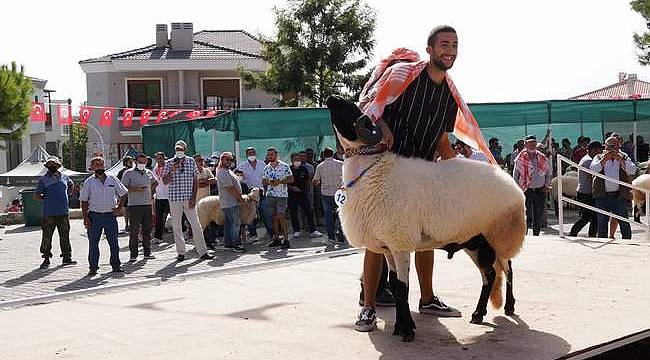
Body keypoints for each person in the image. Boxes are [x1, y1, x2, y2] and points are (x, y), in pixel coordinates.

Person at [355, 26, 464, 332]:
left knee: (425, 236)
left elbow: (443, 141)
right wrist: (385, 129)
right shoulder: (404, 77)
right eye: (444, 44)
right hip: (387, 173)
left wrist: (464, 175)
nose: (450, 50)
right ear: (429, 49)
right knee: (377, 242)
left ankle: (427, 299)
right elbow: (371, 113)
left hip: (423, 173)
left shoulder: (450, 93)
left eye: (455, 45)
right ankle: (368, 307)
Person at [162, 140, 214, 262]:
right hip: (175, 199)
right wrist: (172, 170)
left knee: (196, 224)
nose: (178, 151)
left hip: (188, 198)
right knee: (177, 226)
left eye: (181, 149)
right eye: (177, 149)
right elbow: (164, 181)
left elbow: (195, 181)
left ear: (185, 150)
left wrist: (193, 198)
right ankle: (181, 252)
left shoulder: (191, 161)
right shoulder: (169, 163)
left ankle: (202, 251)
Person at [80, 157, 128, 277]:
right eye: (97, 164)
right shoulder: (89, 182)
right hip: (94, 216)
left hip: (110, 216)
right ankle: (93, 267)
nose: (100, 166)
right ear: (92, 167)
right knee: (93, 243)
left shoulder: (112, 179)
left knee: (113, 242)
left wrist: (119, 207)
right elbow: (84, 201)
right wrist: (85, 218)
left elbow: (123, 193)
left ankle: (116, 265)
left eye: (101, 164)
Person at [33, 156, 76, 268]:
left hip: (63, 212)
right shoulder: (43, 180)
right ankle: (46, 258)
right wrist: (47, 198)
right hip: (49, 213)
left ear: (58, 166)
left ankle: (67, 257)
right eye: (50, 165)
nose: (52, 166)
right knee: (47, 236)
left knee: (65, 235)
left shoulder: (65, 177)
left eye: (54, 165)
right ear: (47, 167)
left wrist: (68, 194)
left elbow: (71, 185)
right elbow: (37, 195)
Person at [590, 136, 636, 240]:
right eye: (609, 147)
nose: (611, 149)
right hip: (602, 195)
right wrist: (604, 160)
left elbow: (632, 170)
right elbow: (593, 170)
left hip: (619, 195)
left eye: (614, 147)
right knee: (602, 221)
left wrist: (621, 160)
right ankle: (603, 239)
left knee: (623, 219)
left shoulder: (624, 156)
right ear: (605, 147)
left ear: (618, 146)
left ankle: (627, 240)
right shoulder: (598, 157)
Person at [513, 135, 552, 236]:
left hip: (540, 190)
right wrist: (517, 189)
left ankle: (536, 235)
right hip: (526, 190)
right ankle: (524, 236)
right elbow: (516, 175)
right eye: (529, 142)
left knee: (538, 214)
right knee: (526, 214)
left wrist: (546, 185)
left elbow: (548, 172)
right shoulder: (520, 158)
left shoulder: (542, 157)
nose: (532, 144)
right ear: (525, 144)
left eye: (534, 142)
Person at [121, 153, 157, 262]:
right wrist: (136, 189)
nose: (142, 164)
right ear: (135, 162)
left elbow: (155, 182)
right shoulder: (128, 173)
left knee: (147, 230)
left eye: (144, 162)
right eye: (140, 162)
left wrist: (152, 192)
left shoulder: (149, 172)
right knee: (134, 231)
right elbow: (122, 188)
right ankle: (133, 255)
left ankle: (147, 253)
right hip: (134, 206)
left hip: (147, 205)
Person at [569, 141, 602, 237]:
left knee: (594, 217)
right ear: (592, 150)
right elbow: (591, 177)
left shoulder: (589, 159)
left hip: (587, 192)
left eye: (600, 150)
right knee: (586, 217)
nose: (598, 152)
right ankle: (573, 233)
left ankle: (591, 235)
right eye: (597, 150)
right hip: (586, 193)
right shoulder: (588, 161)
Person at [262, 147, 294, 249]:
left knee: (281, 216)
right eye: (269, 154)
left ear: (276, 155)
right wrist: (268, 182)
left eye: (272, 154)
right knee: (273, 217)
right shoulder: (267, 168)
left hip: (281, 195)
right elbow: (263, 181)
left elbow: (291, 179)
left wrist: (279, 181)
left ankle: (286, 239)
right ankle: (276, 239)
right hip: (270, 194)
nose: (270, 156)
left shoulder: (284, 166)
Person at [236, 147, 270, 241]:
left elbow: (267, 178)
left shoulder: (262, 164)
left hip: (262, 193)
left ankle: (270, 233)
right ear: (246, 155)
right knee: (250, 215)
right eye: (249, 153)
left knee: (265, 213)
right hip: (250, 194)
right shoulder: (241, 166)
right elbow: (237, 177)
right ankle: (253, 234)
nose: (251, 154)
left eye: (253, 152)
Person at [216, 152, 246, 253]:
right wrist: (239, 198)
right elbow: (230, 188)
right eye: (227, 160)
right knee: (236, 223)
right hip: (229, 202)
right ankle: (236, 244)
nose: (229, 162)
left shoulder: (227, 170)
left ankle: (228, 244)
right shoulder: (222, 172)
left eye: (230, 160)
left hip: (230, 202)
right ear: (222, 160)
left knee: (229, 224)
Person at [288, 153, 322, 239]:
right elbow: (284, 183)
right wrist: (292, 187)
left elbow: (307, 181)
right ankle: (296, 230)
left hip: (303, 194)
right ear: (292, 160)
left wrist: (306, 191)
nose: (297, 161)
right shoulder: (288, 169)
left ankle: (313, 230)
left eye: (298, 159)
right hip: (292, 195)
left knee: (309, 211)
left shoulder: (304, 169)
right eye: (295, 159)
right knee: (294, 213)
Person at [313, 148, 343, 244]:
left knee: (328, 216)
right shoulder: (341, 164)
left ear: (323, 155)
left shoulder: (320, 166)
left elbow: (316, 181)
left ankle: (331, 237)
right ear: (332, 154)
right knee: (341, 214)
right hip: (339, 193)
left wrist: (316, 182)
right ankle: (341, 233)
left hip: (326, 194)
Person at [152, 152, 170, 244]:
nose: (159, 160)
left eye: (161, 158)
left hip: (170, 196)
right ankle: (158, 237)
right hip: (159, 197)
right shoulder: (154, 169)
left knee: (177, 217)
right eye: (157, 158)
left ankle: (183, 232)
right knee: (159, 217)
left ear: (164, 158)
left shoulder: (169, 167)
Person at [117, 156, 133, 234]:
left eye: (131, 161)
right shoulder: (121, 172)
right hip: (125, 194)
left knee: (132, 210)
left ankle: (132, 224)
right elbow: (119, 183)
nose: (131, 163)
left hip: (133, 194)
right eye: (129, 161)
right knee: (125, 210)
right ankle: (127, 224)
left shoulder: (134, 171)